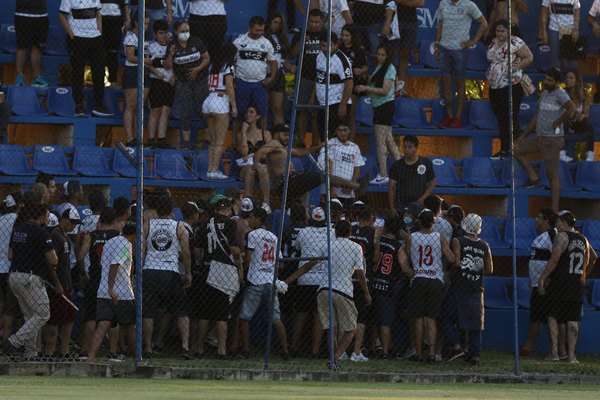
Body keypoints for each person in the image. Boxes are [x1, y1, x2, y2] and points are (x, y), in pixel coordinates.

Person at [285, 220, 372, 370]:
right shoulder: (356, 247)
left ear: (335, 231)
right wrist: (366, 293)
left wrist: (287, 281)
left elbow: (307, 266)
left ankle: (333, 358)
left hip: (324, 289)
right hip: (343, 289)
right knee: (351, 329)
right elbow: (360, 273)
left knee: (331, 328)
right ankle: (334, 358)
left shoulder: (328, 245)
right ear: (350, 233)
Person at [514, 67, 576, 212]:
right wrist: (523, 135)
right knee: (515, 148)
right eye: (546, 78)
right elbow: (537, 116)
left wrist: (558, 121)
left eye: (550, 80)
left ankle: (554, 210)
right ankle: (533, 176)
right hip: (540, 137)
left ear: (557, 82)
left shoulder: (561, 94)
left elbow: (571, 109)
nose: (546, 81)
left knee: (552, 174)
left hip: (553, 140)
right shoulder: (544, 93)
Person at [538, 210, 597, 363]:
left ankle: (554, 353)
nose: (556, 225)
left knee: (552, 315)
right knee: (573, 319)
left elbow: (554, 259)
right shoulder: (584, 239)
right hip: (577, 283)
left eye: (558, 222)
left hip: (560, 282)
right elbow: (593, 257)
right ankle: (572, 356)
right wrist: (583, 273)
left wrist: (543, 278)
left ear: (564, 223)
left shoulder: (562, 236)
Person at [4, 203, 59, 362]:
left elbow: (10, 255)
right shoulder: (42, 233)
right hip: (30, 278)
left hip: (14, 276)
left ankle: (31, 353)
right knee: (43, 313)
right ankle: (13, 342)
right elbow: (53, 259)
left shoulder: (18, 230)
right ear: (41, 215)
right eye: (47, 215)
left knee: (30, 315)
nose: (48, 218)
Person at [142, 196, 192, 356]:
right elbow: (186, 253)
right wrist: (187, 272)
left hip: (150, 269)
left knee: (148, 311)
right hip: (171, 271)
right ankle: (185, 346)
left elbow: (142, 250)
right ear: (172, 211)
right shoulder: (179, 227)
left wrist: (142, 268)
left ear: (157, 211)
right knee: (182, 310)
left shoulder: (147, 225)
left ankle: (148, 348)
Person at [194, 194, 242, 358]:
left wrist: (204, 261)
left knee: (204, 313)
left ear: (215, 210)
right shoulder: (230, 223)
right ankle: (221, 350)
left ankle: (199, 349)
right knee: (222, 314)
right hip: (223, 272)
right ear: (229, 209)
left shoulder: (204, 224)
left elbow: (197, 250)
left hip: (207, 269)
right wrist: (239, 266)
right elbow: (235, 250)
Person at [404, 209, 455, 363]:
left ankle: (418, 353)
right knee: (431, 317)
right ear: (433, 222)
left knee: (418, 317)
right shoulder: (439, 237)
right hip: (435, 279)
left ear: (418, 221)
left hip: (418, 277)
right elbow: (451, 258)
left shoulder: (411, 237)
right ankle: (432, 353)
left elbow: (408, 256)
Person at [238, 207, 289, 359]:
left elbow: (248, 257)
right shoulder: (273, 237)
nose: (249, 220)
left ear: (259, 219)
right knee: (276, 318)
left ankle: (246, 350)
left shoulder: (253, 234)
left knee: (244, 316)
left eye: (252, 217)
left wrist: (243, 270)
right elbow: (280, 265)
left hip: (255, 279)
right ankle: (285, 351)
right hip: (270, 279)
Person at [445, 213, 493, 366]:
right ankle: (474, 355)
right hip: (476, 287)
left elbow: (456, 262)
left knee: (445, 315)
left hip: (459, 285)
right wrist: (475, 271)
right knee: (475, 324)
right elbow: (489, 269)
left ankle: (456, 345)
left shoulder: (457, 241)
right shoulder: (485, 245)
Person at [87, 221, 137, 363]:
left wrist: (107, 289)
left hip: (103, 292)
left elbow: (104, 263)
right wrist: (111, 288)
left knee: (102, 325)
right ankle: (136, 358)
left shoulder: (110, 242)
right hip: (121, 293)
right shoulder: (126, 245)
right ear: (133, 234)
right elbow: (115, 264)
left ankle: (90, 358)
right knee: (130, 326)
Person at [76, 207, 121, 359]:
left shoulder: (92, 235)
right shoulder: (117, 236)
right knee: (113, 318)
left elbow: (81, 256)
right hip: (111, 280)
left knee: (90, 316)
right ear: (115, 221)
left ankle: (84, 351)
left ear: (100, 219)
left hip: (95, 278)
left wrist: (83, 273)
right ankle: (113, 353)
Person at [435, 0, 488, 128]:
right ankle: (449, 117)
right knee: (446, 84)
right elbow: (440, 25)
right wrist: (437, 44)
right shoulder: (443, 3)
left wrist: (473, 41)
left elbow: (483, 23)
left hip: (460, 50)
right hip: (444, 49)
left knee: (460, 83)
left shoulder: (469, 5)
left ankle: (458, 118)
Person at [486, 19, 533, 158]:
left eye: (503, 31)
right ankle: (504, 148)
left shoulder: (515, 42)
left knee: (510, 116)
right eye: (497, 31)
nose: (499, 34)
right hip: (495, 85)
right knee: (501, 117)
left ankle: (514, 149)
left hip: (511, 84)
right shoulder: (493, 42)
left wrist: (516, 67)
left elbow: (529, 57)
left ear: (508, 31)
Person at [59, 0, 113, 117]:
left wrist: (99, 32)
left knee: (99, 71)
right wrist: (72, 35)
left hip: (95, 38)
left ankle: (99, 105)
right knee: (78, 71)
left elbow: (98, 14)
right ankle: (78, 105)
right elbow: (62, 15)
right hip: (78, 38)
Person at [355, 44, 400, 184]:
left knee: (380, 142)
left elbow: (385, 91)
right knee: (389, 141)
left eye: (383, 55)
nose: (380, 57)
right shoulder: (379, 67)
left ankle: (383, 174)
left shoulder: (390, 68)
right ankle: (403, 169)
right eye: (378, 54)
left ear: (388, 56)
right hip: (380, 106)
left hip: (384, 107)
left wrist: (365, 87)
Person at [164, 20, 210, 150]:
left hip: (200, 80)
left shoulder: (196, 41)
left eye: (187, 31)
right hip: (183, 82)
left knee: (204, 111)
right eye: (182, 31)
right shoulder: (172, 45)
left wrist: (197, 70)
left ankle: (208, 140)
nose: (185, 34)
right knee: (186, 112)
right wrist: (171, 55)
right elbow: (167, 66)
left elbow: (207, 58)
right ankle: (186, 144)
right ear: (175, 32)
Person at [232, 16, 277, 149]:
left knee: (262, 115)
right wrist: (233, 78)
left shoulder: (266, 43)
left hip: (259, 84)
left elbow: (273, 62)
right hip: (242, 82)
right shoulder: (239, 42)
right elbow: (230, 61)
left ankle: (263, 141)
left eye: (262, 30)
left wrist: (272, 77)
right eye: (257, 30)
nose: (259, 33)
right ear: (249, 28)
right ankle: (235, 143)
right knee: (238, 115)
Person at [253, 123, 323, 206]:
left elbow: (300, 153)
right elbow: (259, 153)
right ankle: (338, 182)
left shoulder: (284, 147)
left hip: (291, 181)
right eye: (285, 135)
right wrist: (257, 166)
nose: (288, 138)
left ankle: (304, 213)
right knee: (321, 177)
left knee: (305, 194)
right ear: (276, 134)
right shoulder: (274, 143)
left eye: (289, 135)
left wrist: (318, 147)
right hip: (285, 179)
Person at [371, 217, 412, 359]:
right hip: (387, 285)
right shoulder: (397, 246)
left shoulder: (376, 240)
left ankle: (373, 347)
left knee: (371, 318)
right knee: (385, 321)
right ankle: (385, 352)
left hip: (371, 283)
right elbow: (405, 269)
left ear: (386, 227)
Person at [519, 208, 558, 357]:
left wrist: (546, 279)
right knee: (538, 316)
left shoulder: (552, 235)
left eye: (539, 217)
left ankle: (530, 348)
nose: (536, 220)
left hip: (545, 285)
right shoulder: (541, 236)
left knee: (544, 317)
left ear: (547, 220)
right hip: (537, 284)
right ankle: (530, 348)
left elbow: (556, 257)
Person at [43, 207, 80, 360]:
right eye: (71, 223)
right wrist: (57, 283)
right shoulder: (55, 236)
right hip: (58, 286)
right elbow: (51, 264)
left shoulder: (64, 236)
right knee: (54, 320)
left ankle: (64, 350)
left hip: (67, 283)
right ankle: (49, 351)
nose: (73, 226)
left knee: (69, 317)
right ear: (63, 220)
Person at [289, 9, 326, 145]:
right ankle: (301, 143)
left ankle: (316, 144)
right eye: (311, 21)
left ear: (322, 22)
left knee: (317, 113)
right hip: (304, 77)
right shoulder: (301, 34)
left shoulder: (327, 34)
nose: (314, 24)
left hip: (322, 79)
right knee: (302, 110)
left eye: (317, 22)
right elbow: (292, 55)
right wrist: (301, 42)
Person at [203, 43, 238, 179]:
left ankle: (210, 169)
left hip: (208, 100)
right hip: (221, 100)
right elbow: (229, 86)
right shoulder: (228, 66)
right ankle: (214, 170)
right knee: (219, 140)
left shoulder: (213, 66)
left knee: (212, 140)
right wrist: (234, 106)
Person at [315, 32, 353, 140]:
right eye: (323, 45)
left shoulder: (341, 59)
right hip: (323, 104)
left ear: (336, 45)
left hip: (337, 103)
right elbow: (318, 78)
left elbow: (349, 83)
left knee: (336, 139)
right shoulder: (319, 56)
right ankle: (326, 157)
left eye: (329, 45)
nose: (326, 48)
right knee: (324, 138)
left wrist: (343, 105)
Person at [318, 124, 366, 207]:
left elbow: (357, 169)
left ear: (349, 131)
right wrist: (331, 189)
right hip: (332, 191)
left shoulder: (354, 147)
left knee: (347, 217)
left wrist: (351, 186)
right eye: (339, 130)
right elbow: (327, 168)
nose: (342, 133)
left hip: (348, 192)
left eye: (345, 130)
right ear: (336, 131)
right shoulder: (330, 144)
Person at [388, 135, 436, 216]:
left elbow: (432, 182)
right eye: (404, 147)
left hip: (419, 206)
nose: (406, 150)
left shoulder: (426, 162)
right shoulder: (396, 165)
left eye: (409, 147)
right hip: (401, 206)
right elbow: (391, 187)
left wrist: (423, 198)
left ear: (416, 148)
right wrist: (392, 208)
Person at [122, 15, 152, 147]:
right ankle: (129, 138)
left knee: (140, 107)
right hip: (133, 72)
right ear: (136, 22)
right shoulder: (130, 36)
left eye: (147, 24)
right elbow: (130, 56)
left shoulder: (145, 39)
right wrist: (146, 61)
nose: (146, 27)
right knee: (131, 106)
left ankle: (138, 138)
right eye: (144, 24)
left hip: (145, 72)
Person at [147, 19, 175, 149]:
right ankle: (151, 139)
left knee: (166, 110)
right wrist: (155, 71)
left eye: (165, 33)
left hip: (170, 82)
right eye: (160, 33)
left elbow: (177, 64)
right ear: (155, 34)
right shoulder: (150, 46)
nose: (163, 35)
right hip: (156, 81)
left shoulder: (172, 46)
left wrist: (174, 76)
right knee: (155, 110)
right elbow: (146, 63)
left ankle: (162, 139)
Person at [236, 106, 272, 202]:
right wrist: (244, 132)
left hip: (262, 165)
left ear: (258, 116)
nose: (248, 114)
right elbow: (243, 152)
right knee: (251, 169)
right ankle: (248, 201)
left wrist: (253, 155)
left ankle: (266, 202)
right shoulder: (240, 134)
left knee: (261, 168)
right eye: (247, 112)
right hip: (246, 166)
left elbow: (268, 153)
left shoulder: (266, 134)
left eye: (252, 112)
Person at [338, 24, 368, 141]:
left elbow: (366, 67)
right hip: (339, 85)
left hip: (353, 84)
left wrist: (361, 70)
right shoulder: (338, 49)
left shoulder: (359, 50)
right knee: (339, 114)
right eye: (343, 35)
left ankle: (351, 141)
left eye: (347, 35)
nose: (344, 38)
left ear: (352, 36)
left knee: (351, 113)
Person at [265, 12, 293, 127]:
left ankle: (279, 136)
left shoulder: (282, 38)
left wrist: (289, 66)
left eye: (279, 23)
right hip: (265, 73)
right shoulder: (263, 37)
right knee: (263, 108)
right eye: (275, 22)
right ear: (269, 23)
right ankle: (263, 138)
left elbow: (283, 57)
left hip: (279, 74)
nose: (277, 25)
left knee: (278, 107)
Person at [561, 69, 595, 162]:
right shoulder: (562, 93)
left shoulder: (584, 94)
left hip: (577, 122)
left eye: (571, 78)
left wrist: (582, 116)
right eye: (567, 78)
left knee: (589, 126)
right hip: (565, 121)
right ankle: (561, 152)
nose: (568, 80)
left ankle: (590, 154)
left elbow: (586, 113)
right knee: (563, 123)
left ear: (577, 81)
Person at [14, 0, 49, 87]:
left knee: (37, 47)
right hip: (22, 14)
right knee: (21, 47)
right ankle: (19, 77)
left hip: (41, 15)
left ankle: (37, 78)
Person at [394, 0, 424, 97]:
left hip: (411, 22)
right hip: (395, 20)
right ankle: (390, 85)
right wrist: (410, 2)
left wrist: (402, 2)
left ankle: (400, 87)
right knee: (392, 54)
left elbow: (420, 3)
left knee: (405, 53)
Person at [539, 0, 580, 70]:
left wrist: (576, 29)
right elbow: (544, 11)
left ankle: (571, 79)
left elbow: (577, 10)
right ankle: (556, 79)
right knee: (554, 60)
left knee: (572, 61)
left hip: (569, 29)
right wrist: (544, 32)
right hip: (554, 28)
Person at [100, 0, 130, 88]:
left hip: (116, 21)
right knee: (100, 52)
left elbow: (125, 5)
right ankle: (99, 80)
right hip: (102, 20)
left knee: (113, 52)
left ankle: (112, 80)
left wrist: (127, 19)